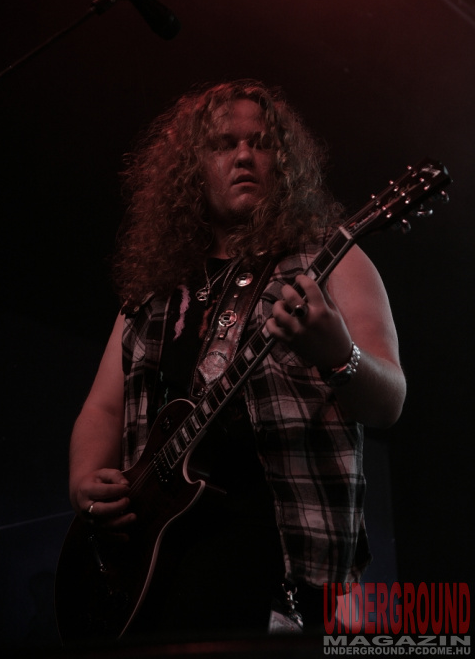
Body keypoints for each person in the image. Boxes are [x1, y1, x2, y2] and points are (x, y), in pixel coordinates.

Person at [67, 80, 406, 641]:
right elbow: (103, 408)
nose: (245, 155)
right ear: (192, 169)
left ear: (285, 165)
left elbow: (389, 399)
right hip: (152, 569)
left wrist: (337, 354)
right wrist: (84, 483)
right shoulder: (153, 292)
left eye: (262, 143)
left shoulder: (329, 260)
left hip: (281, 568)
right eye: (224, 143)